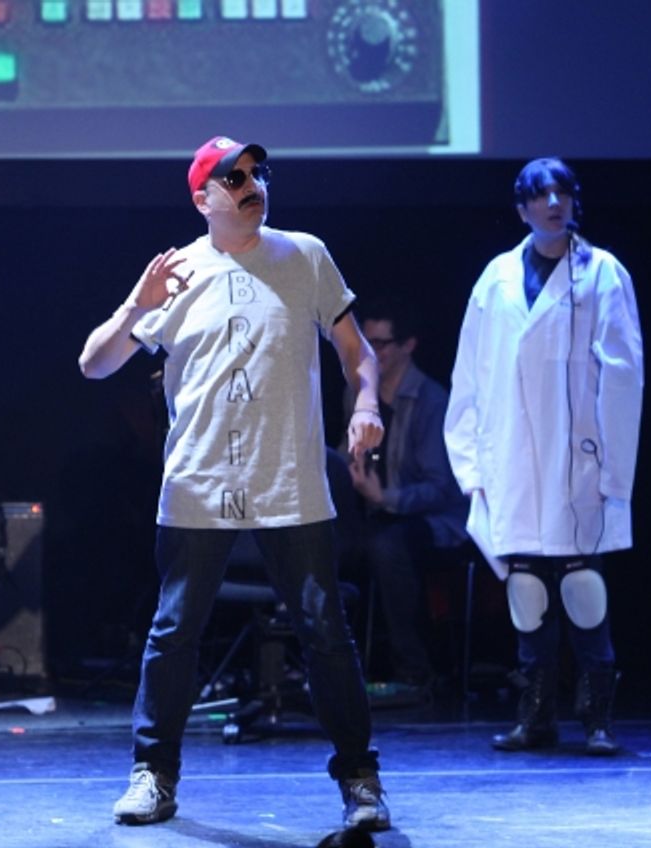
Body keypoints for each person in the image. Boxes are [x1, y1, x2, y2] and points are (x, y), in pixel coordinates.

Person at [79, 136, 390, 832]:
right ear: (203, 199)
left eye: (257, 173)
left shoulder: (304, 255)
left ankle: (361, 782)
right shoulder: (176, 273)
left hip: (291, 481)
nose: (252, 184)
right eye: (233, 177)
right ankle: (152, 775)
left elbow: (355, 351)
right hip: (197, 482)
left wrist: (366, 404)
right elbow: (93, 365)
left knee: (324, 630)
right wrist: (137, 305)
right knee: (173, 632)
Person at [444, 157, 643, 756]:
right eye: (540, 194)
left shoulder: (603, 273)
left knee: (582, 586)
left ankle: (598, 716)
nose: (553, 202)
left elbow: (626, 376)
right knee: (526, 591)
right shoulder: (496, 279)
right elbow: (469, 376)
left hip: (577, 456)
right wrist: (471, 468)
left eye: (562, 192)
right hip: (511, 459)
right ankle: (535, 715)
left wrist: (615, 471)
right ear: (522, 207)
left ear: (574, 201)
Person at [335, 297, 468, 698]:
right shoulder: (357, 394)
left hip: (436, 521)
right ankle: (336, 670)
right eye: (368, 343)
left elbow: (442, 487)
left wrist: (386, 496)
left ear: (407, 345)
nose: (373, 352)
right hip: (380, 515)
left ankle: (415, 670)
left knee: (387, 547)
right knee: (330, 543)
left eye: (382, 343)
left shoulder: (430, 401)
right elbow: (346, 453)